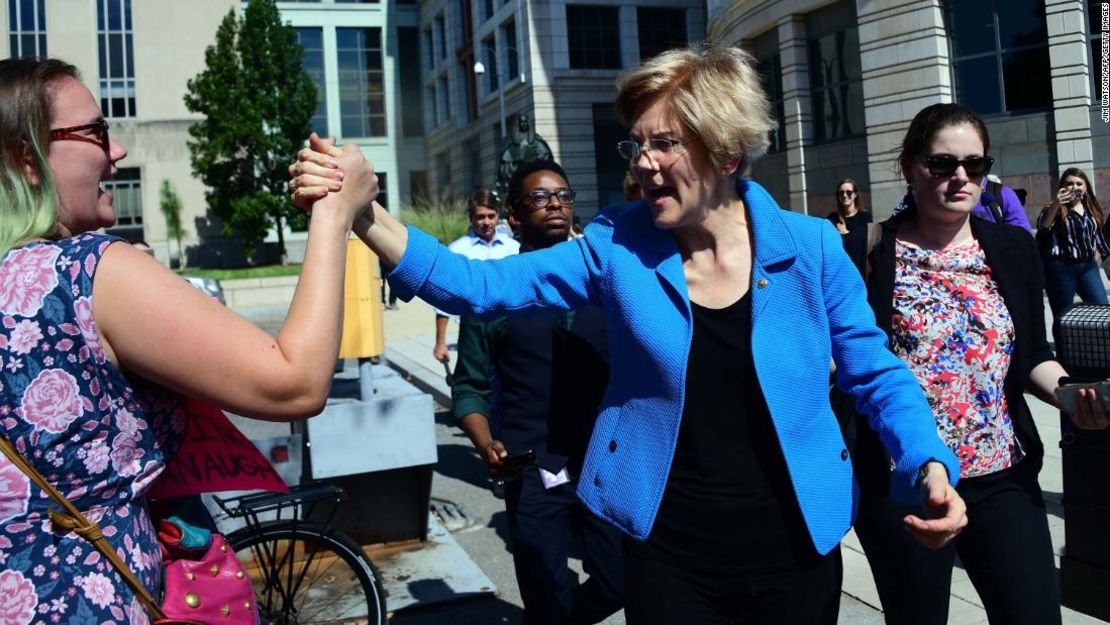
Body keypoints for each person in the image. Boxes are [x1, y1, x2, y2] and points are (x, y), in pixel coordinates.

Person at [290, 44, 968, 625]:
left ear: (728, 150)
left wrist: (928, 461)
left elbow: (876, 372)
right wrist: (363, 210)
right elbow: (480, 285)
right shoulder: (618, 244)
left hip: (797, 545)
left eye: (665, 142)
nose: (643, 162)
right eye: (637, 143)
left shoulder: (814, 248)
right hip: (670, 555)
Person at [0, 57, 375, 622]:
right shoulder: (86, 271)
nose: (117, 151)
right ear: (29, 161)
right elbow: (292, 384)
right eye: (96, 132)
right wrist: (334, 214)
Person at [852, 102, 1110, 625]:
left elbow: (1033, 354)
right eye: (943, 165)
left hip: (1001, 472)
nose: (961, 178)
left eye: (976, 165)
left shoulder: (1013, 247)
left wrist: (1069, 395)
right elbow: (859, 363)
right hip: (907, 483)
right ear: (909, 165)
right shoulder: (870, 250)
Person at [452, 158, 623, 625]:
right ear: (513, 214)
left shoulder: (606, 283)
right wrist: (486, 442)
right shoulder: (494, 292)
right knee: (546, 595)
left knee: (618, 580)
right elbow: (468, 386)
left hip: (602, 464)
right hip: (530, 471)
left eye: (564, 196)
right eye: (540, 197)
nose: (555, 205)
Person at [432, 187, 519, 365]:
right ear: (471, 217)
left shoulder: (514, 248)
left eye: (491, 216)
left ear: (497, 215)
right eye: (480, 217)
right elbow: (445, 300)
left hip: (510, 331)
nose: (486, 222)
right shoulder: (457, 251)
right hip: (472, 335)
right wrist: (440, 342)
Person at [1035, 167, 1110, 344]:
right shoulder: (1053, 208)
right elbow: (1043, 227)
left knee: (1103, 311)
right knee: (1063, 317)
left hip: (1088, 268)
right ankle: (1065, 358)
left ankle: (1103, 352)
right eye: (1069, 183)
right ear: (1062, 187)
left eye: (1078, 183)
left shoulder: (1091, 207)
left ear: (1085, 187)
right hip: (1061, 269)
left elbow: (1098, 236)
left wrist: (1098, 256)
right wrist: (1056, 203)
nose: (1074, 187)